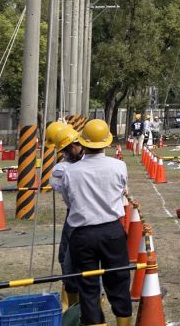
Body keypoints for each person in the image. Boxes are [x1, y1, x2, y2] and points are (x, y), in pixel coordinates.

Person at [51, 118, 130, 326]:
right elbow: (121, 191)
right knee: (119, 282)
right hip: (112, 231)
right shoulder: (119, 166)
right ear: (107, 142)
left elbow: (69, 201)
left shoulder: (69, 172)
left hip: (82, 234)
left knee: (88, 287)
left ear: (83, 142)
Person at [45, 121, 82, 312]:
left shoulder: (68, 170)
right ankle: (73, 302)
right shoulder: (66, 167)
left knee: (69, 261)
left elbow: (57, 183)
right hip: (79, 216)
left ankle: (76, 305)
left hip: (80, 218)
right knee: (67, 259)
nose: (65, 154)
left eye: (66, 150)